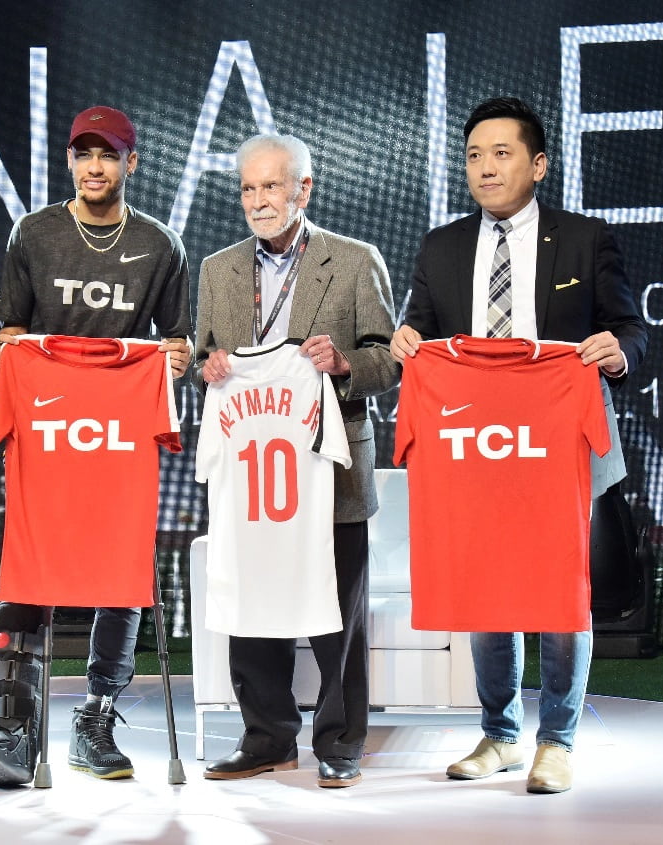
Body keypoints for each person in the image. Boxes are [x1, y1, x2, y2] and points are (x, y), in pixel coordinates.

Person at [390, 96, 648, 794]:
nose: (485, 167)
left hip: (559, 444)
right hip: (475, 446)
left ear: (538, 165)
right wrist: (407, 341)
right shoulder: (441, 246)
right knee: (487, 587)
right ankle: (500, 734)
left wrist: (617, 351)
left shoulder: (585, 239)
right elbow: (419, 329)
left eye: (501, 154)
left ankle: (556, 741)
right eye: (474, 155)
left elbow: (631, 330)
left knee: (560, 589)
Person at [0, 105, 191, 786]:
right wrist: (8, 342)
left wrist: (174, 358)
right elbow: (10, 335)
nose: (94, 167)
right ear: (70, 161)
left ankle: (96, 718)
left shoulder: (160, 244)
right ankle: (10, 727)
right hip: (49, 427)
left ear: (131, 163)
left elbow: (179, 340)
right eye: (84, 154)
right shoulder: (34, 233)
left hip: (120, 430)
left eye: (108, 155)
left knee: (122, 570)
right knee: (31, 561)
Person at [193, 134, 398, 788]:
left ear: (303, 189)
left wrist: (343, 363)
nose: (258, 200)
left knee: (338, 615)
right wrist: (208, 367)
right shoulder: (217, 270)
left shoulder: (355, 260)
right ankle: (267, 737)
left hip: (331, 473)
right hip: (252, 475)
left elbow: (389, 360)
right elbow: (200, 356)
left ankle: (339, 741)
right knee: (253, 606)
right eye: (248, 189)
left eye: (271, 186)